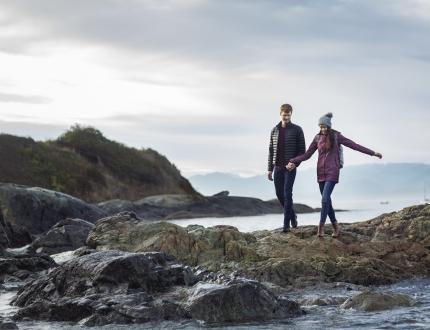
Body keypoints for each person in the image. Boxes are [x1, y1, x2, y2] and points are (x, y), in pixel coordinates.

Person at [287, 112, 382, 238]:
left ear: (329, 126)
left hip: (333, 171)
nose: (322, 129)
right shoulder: (317, 138)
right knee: (327, 202)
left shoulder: (337, 136)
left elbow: (355, 146)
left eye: (324, 126)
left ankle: (320, 228)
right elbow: (307, 154)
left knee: (325, 199)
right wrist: (293, 160)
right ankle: (336, 227)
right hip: (320, 172)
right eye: (320, 126)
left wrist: (373, 153)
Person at [268, 104, 306, 233]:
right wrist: (269, 169)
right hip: (277, 167)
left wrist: (295, 163)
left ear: (291, 114)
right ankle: (292, 215)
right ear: (280, 114)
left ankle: (286, 224)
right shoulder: (274, 130)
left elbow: (302, 151)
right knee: (279, 194)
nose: (286, 117)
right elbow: (271, 151)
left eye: (288, 115)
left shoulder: (297, 130)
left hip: (290, 168)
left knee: (287, 193)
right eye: (284, 115)